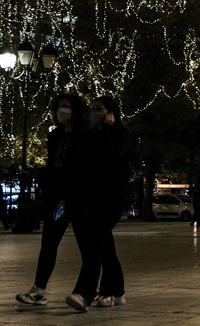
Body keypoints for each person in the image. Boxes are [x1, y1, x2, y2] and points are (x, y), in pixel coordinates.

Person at [16, 92, 88, 305]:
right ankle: (39, 288)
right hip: (57, 200)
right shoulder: (55, 135)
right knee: (49, 241)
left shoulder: (84, 136)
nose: (61, 110)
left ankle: (88, 290)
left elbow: (80, 170)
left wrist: (69, 195)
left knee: (87, 245)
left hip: (76, 199)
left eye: (66, 106)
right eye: (59, 106)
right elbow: (53, 166)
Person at [66, 96, 132, 311]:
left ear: (110, 112)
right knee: (104, 246)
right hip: (93, 197)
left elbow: (112, 155)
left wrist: (106, 129)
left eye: (100, 109)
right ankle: (115, 290)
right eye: (93, 108)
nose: (95, 112)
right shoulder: (88, 135)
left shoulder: (120, 134)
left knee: (95, 243)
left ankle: (84, 292)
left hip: (113, 196)